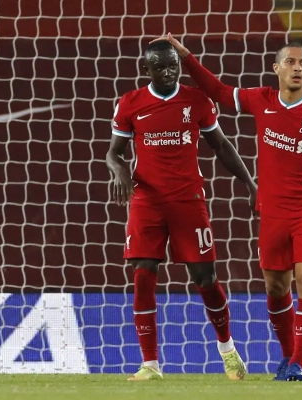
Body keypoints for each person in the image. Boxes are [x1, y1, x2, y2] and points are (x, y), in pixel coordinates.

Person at [151, 33, 302, 381]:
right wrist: (187, 57)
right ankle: (288, 356)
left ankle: (298, 363)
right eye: (291, 62)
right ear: (276, 68)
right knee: (275, 287)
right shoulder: (262, 100)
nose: (297, 68)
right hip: (272, 212)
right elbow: (219, 92)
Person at [106, 40, 256, 381]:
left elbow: (221, 145)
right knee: (143, 272)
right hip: (147, 200)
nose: (168, 71)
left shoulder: (197, 100)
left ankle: (227, 349)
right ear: (146, 69)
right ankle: (150, 364)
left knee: (206, 278)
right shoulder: (130, 103)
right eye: (160, 66)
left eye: (173, 64)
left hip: (188, 199)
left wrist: (251, 183)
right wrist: (119, 171)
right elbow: (113, 152)